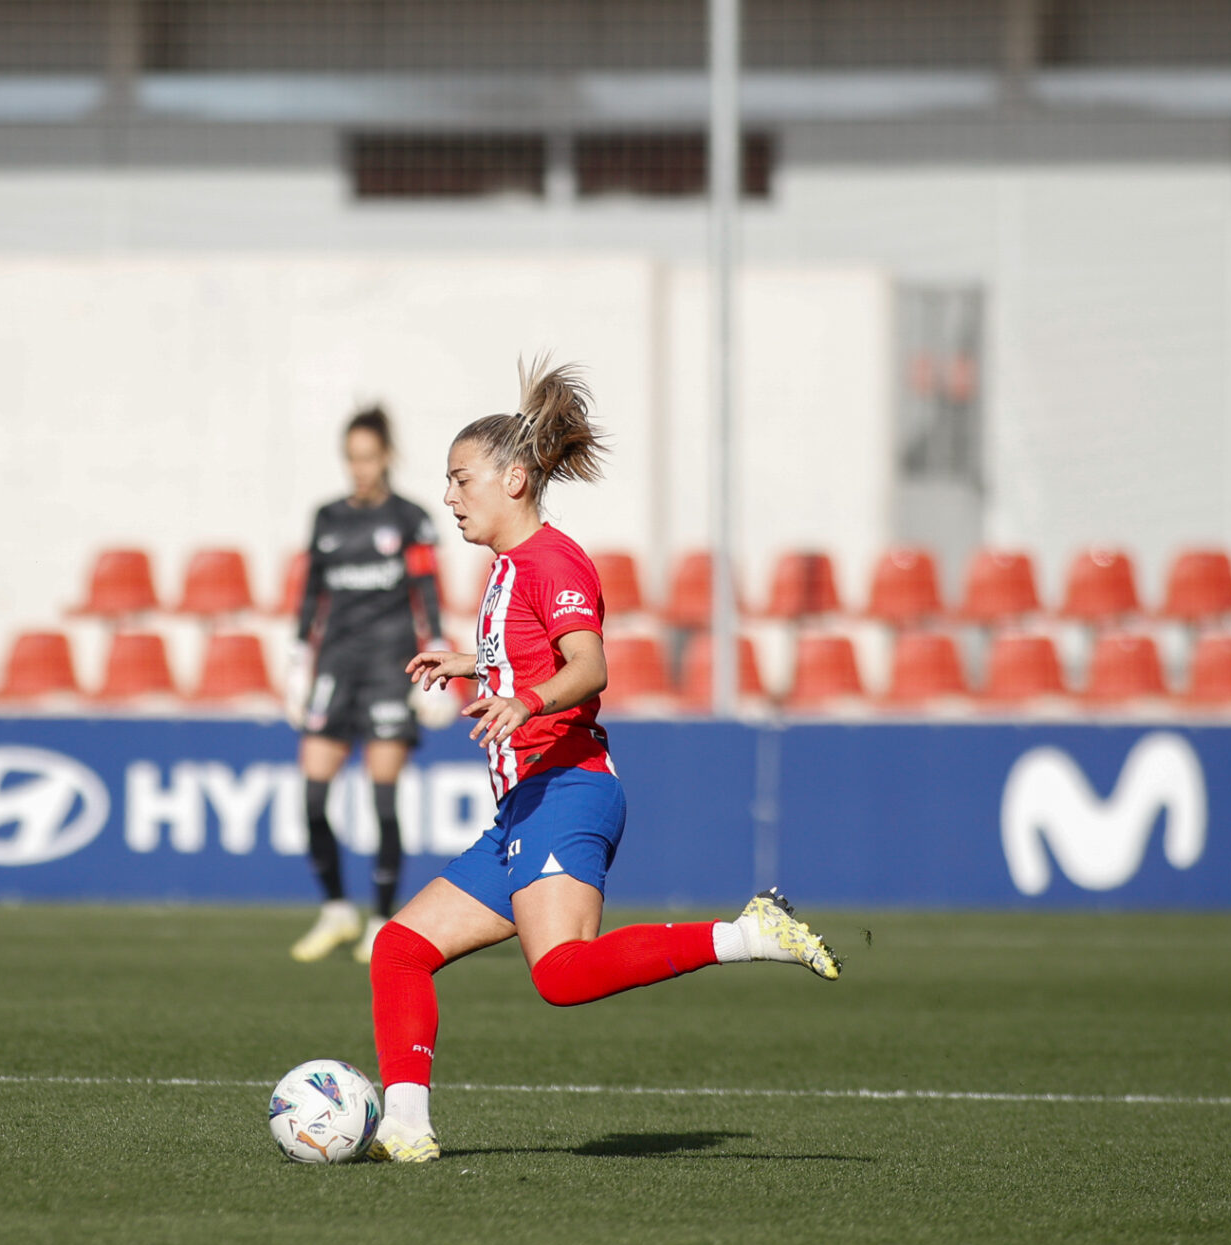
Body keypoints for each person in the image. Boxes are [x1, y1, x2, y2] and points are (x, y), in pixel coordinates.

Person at [366, 358, 841, 1164]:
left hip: (568, 791)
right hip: (524, 804)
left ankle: (749, 934)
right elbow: (530, 657)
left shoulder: (553, 561)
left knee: (561, 975)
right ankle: (405, 1127)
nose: (448, 497)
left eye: (460, 479)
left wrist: (529, 701)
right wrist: (473, 668)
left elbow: (589, 666)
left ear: (514, 478)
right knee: (399, 949)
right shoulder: (508, 567)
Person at [285, 407, 445, 965]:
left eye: (369, 457)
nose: (360, 468)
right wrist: (297, 661)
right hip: (335, 666)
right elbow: (312, 596)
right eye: (352, 458)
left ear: (387, 457)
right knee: (311, 795)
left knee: (383, 795)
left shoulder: (411, 519)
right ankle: (335, 909)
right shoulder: (327, 517)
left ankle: (381, 920)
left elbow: (427, 594)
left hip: (389, 667)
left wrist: (437, 667)